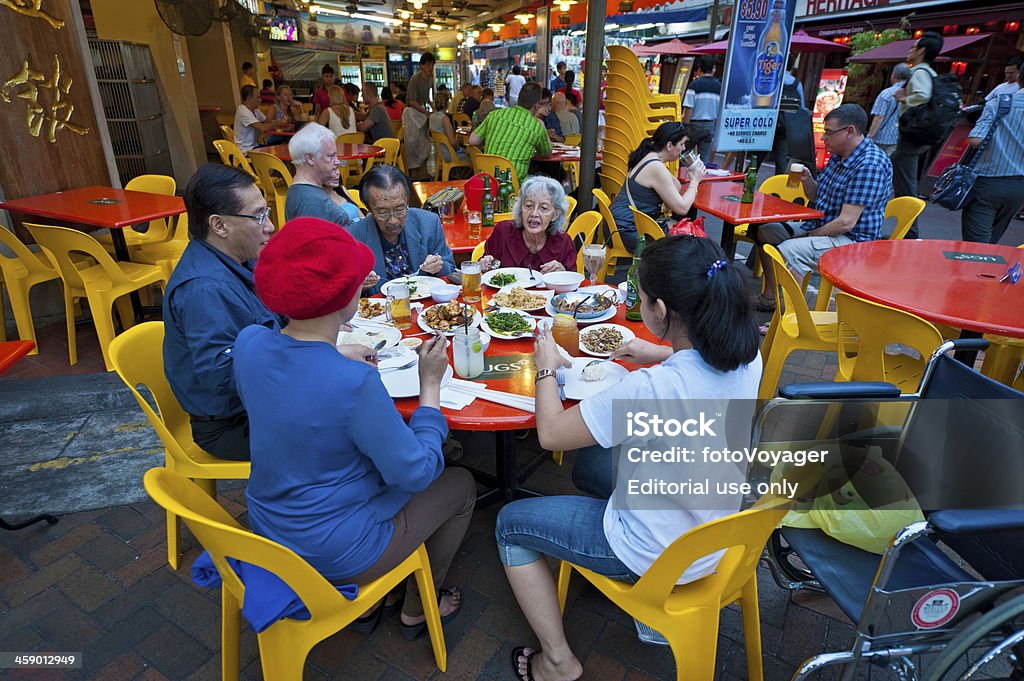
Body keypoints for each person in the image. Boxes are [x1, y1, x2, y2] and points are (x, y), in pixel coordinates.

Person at [497, 234, 762, 681]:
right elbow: (692, 364)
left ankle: (557, 662)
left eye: (640, 299)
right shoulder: (746, 355)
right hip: (717, 533)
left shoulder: (651, 390)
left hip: (655, 554)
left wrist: (544, 365)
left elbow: (549, 435)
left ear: (660, 310)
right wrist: (655, 352)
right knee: (593, 467)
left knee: (509, 524)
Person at [234, 216, 474, 640]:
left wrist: (333, 352)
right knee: (459, 483)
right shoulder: (353, 383)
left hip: (269, 527)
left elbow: (293, 378)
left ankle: (374, 604)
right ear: (345, 297)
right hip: (336, 548)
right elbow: (416, 472)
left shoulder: (250, 344)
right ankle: (420, 605)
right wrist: (430, 389)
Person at [162, 164, 279, 462]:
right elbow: (224, 377)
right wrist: (308, 358)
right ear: (220, 225)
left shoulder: (239, 259)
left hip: (258, 404)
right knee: (341, 423)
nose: (270, 226)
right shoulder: (204, 289)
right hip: (234, 424)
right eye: (259, 216)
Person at [753, 104, 892, 313]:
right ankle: (770, 298)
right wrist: (808, 180)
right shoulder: (839, 154)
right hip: (823, 226)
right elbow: (817, 197)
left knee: (788, 250)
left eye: (829, 132)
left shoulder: (869, 164)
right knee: (764, 230)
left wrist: (806, 235)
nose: (824, 138)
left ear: (850, 131)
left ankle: (792, 317)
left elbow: (846, 222)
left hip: (853, 242)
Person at [346, 164, 456, 293]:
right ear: (369, 208)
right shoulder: (353, 237)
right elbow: (342, 291)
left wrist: (439, 267)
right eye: (382, 212)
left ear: (407, 201)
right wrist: (358, 286)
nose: (393, 220)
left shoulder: (428, 223)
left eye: (399, 209)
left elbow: (451, 271)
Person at [608, 122, 707, 252]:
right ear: (669, 145)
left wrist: (690, 168)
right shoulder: (656, 167)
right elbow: (682, 208)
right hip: (628, 231)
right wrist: (695, 181)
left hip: (621, 225)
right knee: (690, 247)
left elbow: (676, 187)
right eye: (682, 144)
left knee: (686, 239)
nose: (683, 149)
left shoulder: (649, 156)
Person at [961, 68, 1024, 244]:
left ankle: (973, 271)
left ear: (1019, 76)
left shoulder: (999, 104)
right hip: (1019, 187)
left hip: (988, 181)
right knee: (992, 245)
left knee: (976, 247)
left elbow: (976, 140)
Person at [891, 31, 943, 239]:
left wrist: (904, 99)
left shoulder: (920, 72)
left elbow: (922, 96)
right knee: (905, 177)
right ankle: (908, 230)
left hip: (912, 135)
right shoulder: (931, 73)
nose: (910, 50)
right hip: (922, 137)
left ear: (922, 50)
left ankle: (909, 232)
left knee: (905, 183)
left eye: (913, 47)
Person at [479, 175, 577, 273]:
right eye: (529, 205)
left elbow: (574, 282)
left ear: (555, 214)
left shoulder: (564, 242)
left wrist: (563, 274)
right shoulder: (503, 232)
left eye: (543, 208)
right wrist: (483, 265)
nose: (534, 214)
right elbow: (482, 272)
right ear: (520, 208)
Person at [468, 82, 552, 187]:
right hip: (514, 186)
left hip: (488, 182)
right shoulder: (536, 126)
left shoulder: (494, 115)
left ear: (518, 99)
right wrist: (542, 124)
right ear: (536, 105)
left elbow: (472, 140)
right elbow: (547, 152)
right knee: (547, 178)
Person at [284, 123, 365, 231]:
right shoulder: (312, 204)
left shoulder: (302, 193)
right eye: (331, 156)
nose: (337, 162)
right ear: (310, 158)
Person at [682, 56, 722, 164]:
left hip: (693, 126)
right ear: (713, 68)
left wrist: (684, 126)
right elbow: (719, 112)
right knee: (704, 160)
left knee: (685, 156)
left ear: (699, 69)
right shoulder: (719, 87)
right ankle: (702, 179)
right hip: (709, 126)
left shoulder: (694, 85)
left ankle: (687, 179)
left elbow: (688, 108)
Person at [403, 52, 436, 181]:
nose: (430, 68)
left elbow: (427, 97)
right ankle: (413, 174)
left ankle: (423, 171)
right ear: (422, 65)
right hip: (411, 114)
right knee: (412, 144)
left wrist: (433, 107)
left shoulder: (429, 78)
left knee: (424, 142)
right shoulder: (415, 79)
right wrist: (426, 112)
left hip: (420, 113)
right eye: (427, 65)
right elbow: (411, 101)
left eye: (432, 65)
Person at [869, 63, 912, 157]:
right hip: (898, 137)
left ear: (894, 75)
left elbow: (879, 117)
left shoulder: (886, 94)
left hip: (880, 137)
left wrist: (871, 136)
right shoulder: (911, 95)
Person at [234, 85, 286, 153]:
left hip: (254, 147)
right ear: (249, 98)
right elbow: (262, 128)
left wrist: (279, 120)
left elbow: (267, 121)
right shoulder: (243, 111)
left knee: (280, 146)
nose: (261, 100)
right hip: (245, 150)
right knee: (277, 151)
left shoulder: (255, 110)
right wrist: (277, 123)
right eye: (258, 97)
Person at [429, 91, 469, 164]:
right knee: (471, 156)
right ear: (446, 104)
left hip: (440, 153)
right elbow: (452, 142)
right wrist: (461, 149)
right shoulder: (444, 119)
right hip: (450, 154)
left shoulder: (431, 116)